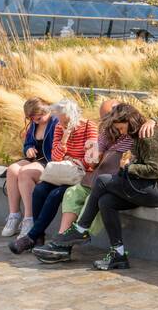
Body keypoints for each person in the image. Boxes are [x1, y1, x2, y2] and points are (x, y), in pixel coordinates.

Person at [34, 100, 158, 264]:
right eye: (106, 119)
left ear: (126, 119)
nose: (115, 127)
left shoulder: (145, 135)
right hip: (135, 183)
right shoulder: (117, 132)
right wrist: (91, 156)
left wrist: (128, 168)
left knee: (101, 183)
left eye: (118, 125)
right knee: (105, 201)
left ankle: (78, 231)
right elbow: (94, 159)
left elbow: (156, 170)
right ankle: (119, 254)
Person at [10, 98, 98, 254]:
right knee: (39, 191)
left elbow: (92, 160)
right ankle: (38, 237)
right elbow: (55, 157)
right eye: (61, 121)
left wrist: (75, 161)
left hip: (79, 175)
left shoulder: (89, 127)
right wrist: (64, 139)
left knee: (55, 195)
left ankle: (31, 237)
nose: (64, 125)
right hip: (61, 173)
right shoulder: (59, 127)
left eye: (67, 121)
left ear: (75, 115)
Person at [1, 99, 58, 237]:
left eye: (38, 118)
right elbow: (28, 144)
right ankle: (14, 215)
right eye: (32, 119)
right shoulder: (34, 124)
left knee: (25, 173)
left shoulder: (56, 122)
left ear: (47, 111)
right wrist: (28, 149)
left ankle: (29, 219)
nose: (36, 122)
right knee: (13, 169)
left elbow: (58, 148)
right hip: (35, 159)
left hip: (50, 160)